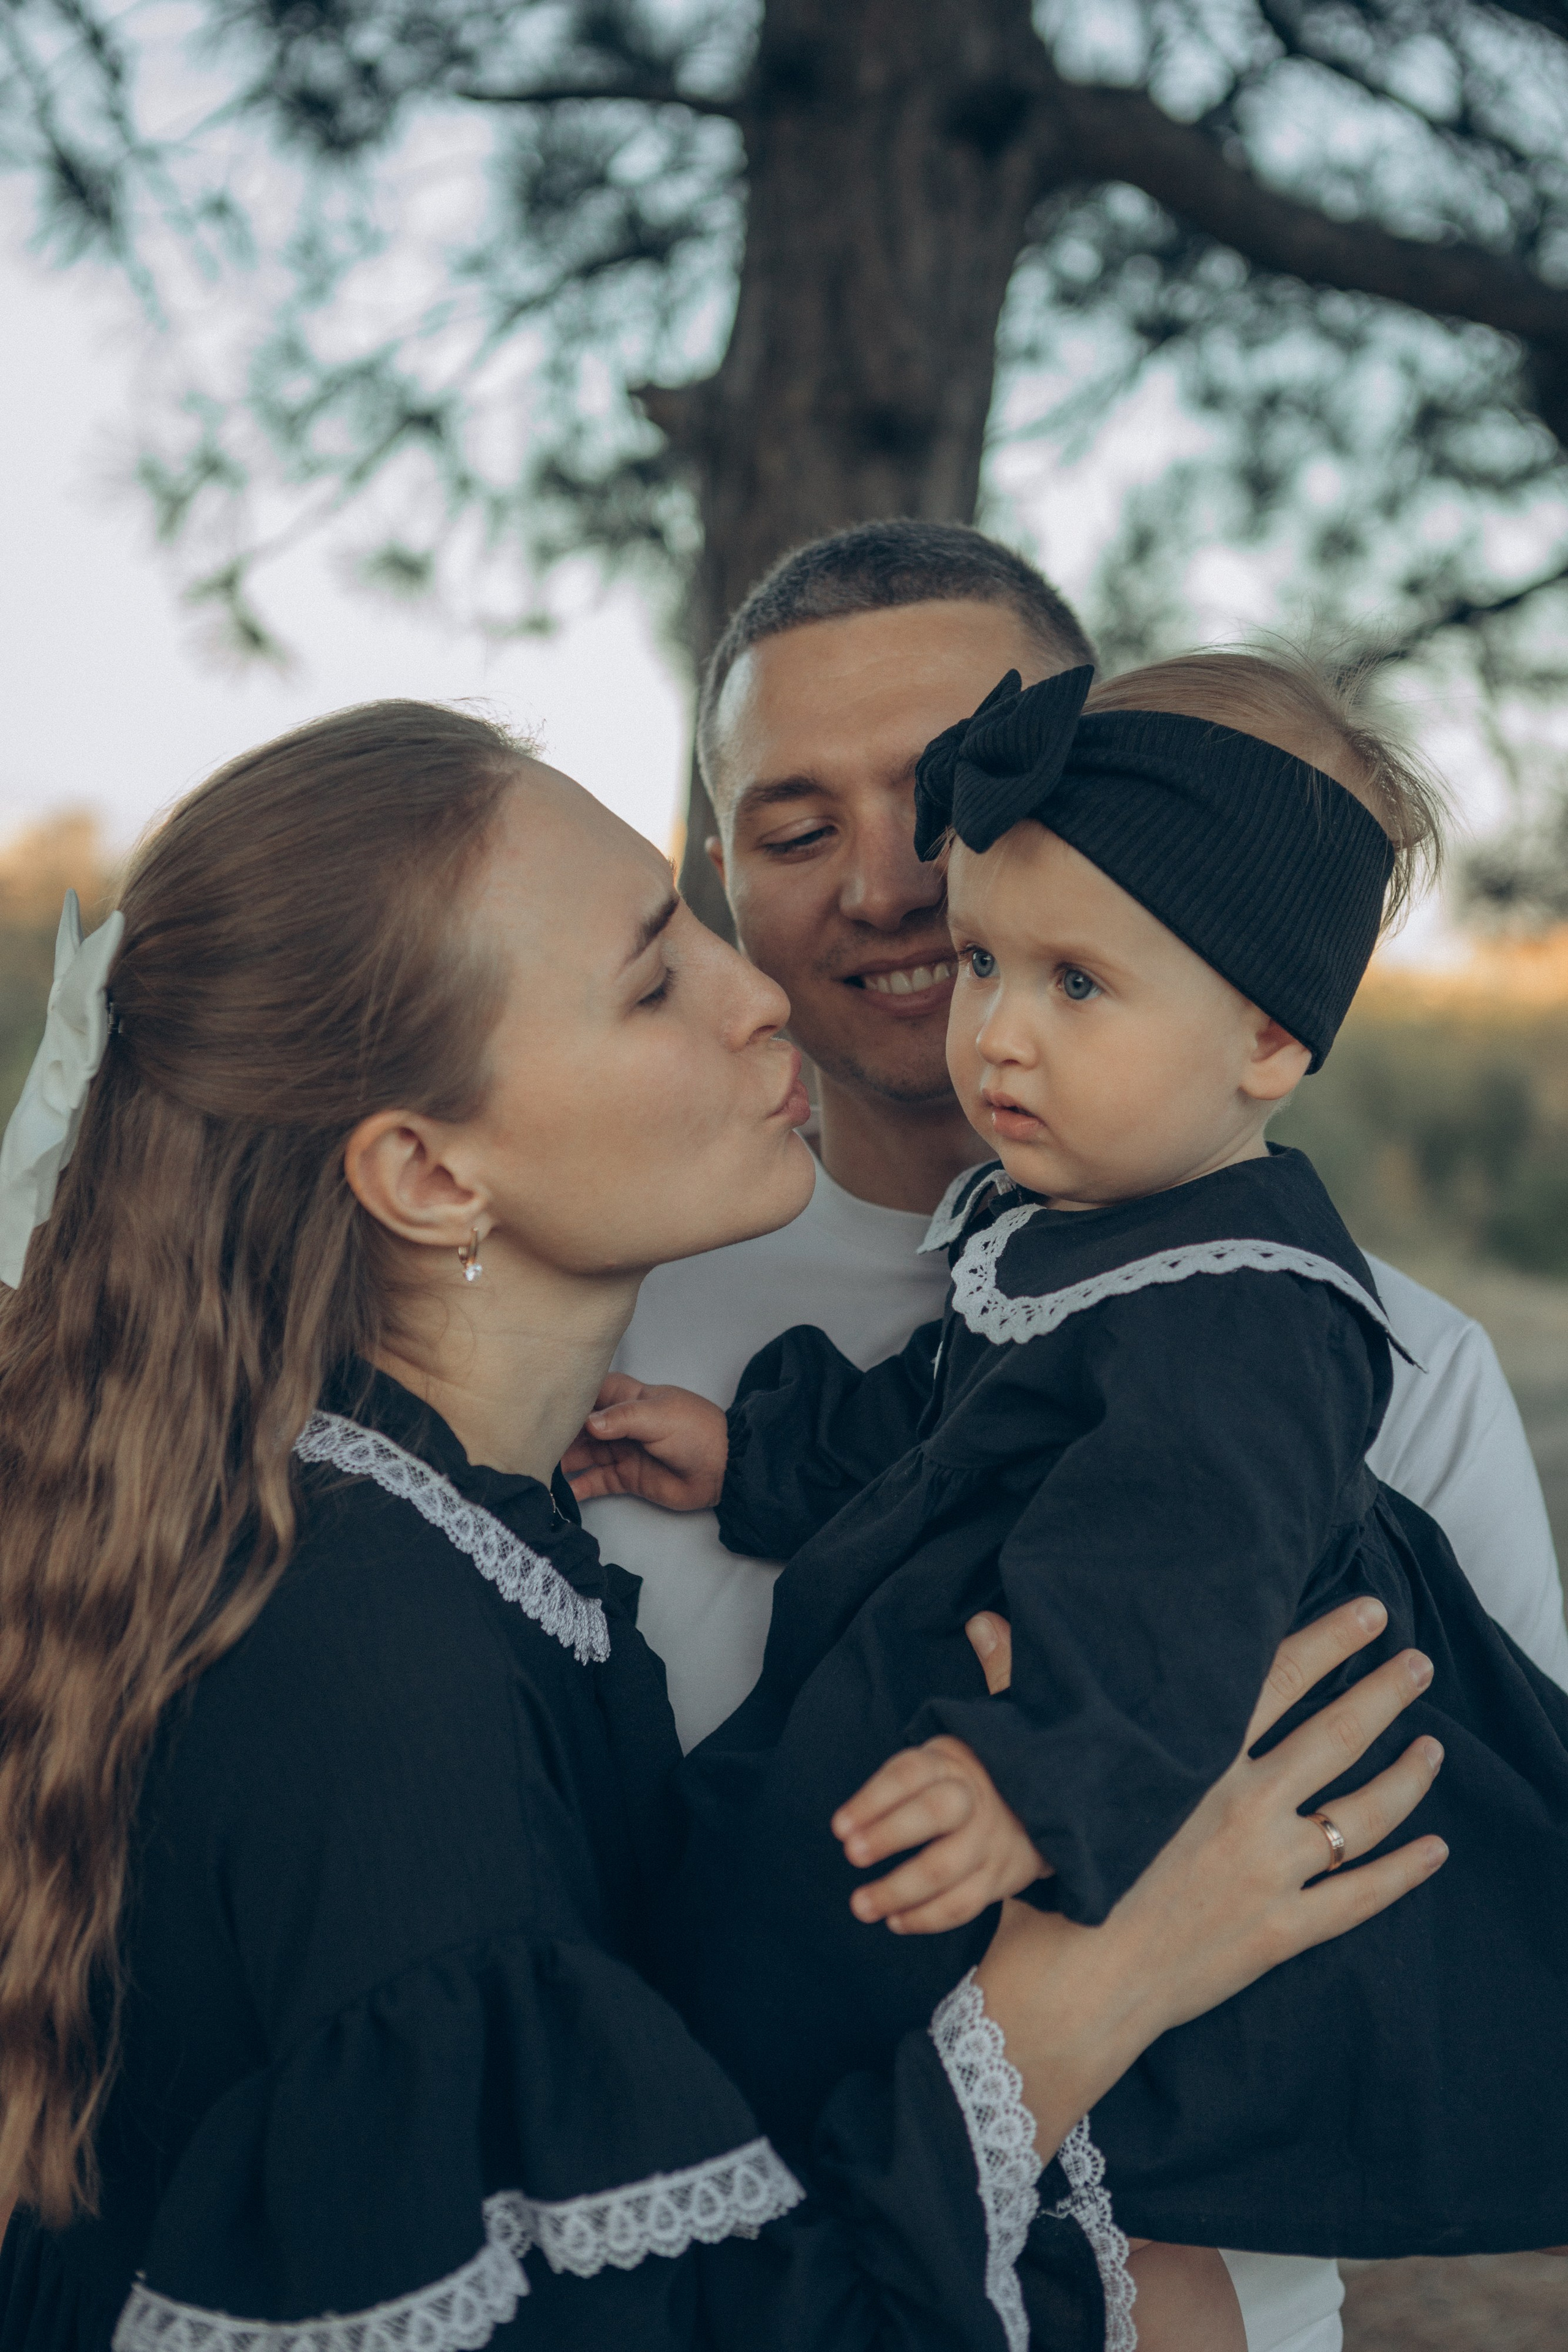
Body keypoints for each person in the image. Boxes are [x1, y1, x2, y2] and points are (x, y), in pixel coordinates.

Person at [0, 703, 1447, 2352]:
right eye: (651, 982)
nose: (762, 992)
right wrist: (1076, 2000)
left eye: (698, 931)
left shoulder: (452, 1533)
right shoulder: (378, 1672)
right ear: (429, 1174)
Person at [578, 519, 1568, 2352]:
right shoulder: (617, 1312)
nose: (895, 887)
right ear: (713, 869)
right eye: (797, 830)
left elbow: (1209, 1604)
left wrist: (1049, 1792)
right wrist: (752, 1452)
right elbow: (942, 1432)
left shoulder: (1341, 1346)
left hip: (1147, 2237)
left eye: (943, 794)